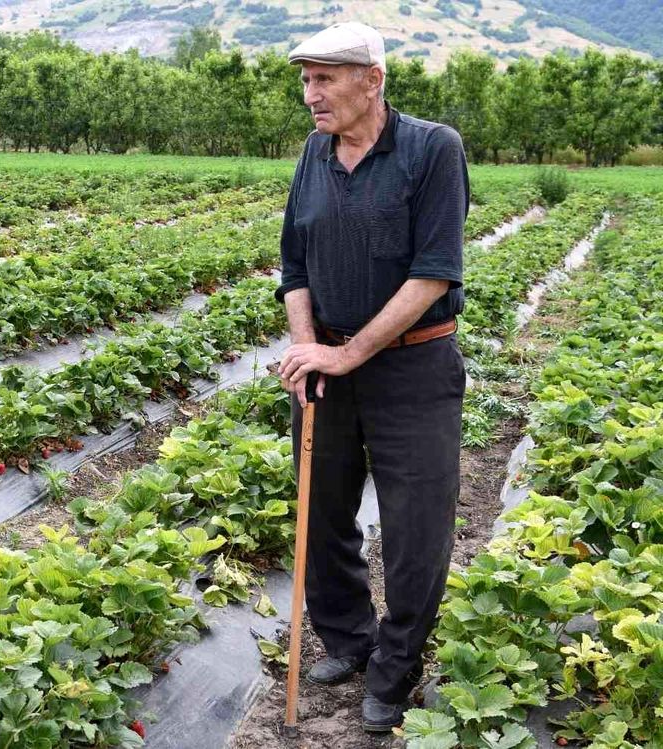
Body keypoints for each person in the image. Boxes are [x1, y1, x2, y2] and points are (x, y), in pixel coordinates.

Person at [274, 22, 469, 733]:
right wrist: (307, 349)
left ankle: (395, 667)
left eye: (324, 79)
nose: (310, 95)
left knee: (417, 531)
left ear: (372, 81)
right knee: (322, 513)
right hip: (327, 363)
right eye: (305, 79)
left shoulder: (431, 149)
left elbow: (433, 273)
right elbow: (294, 266)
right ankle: (350, 641)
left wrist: (349, 352)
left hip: (413, 367)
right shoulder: (313, 154)